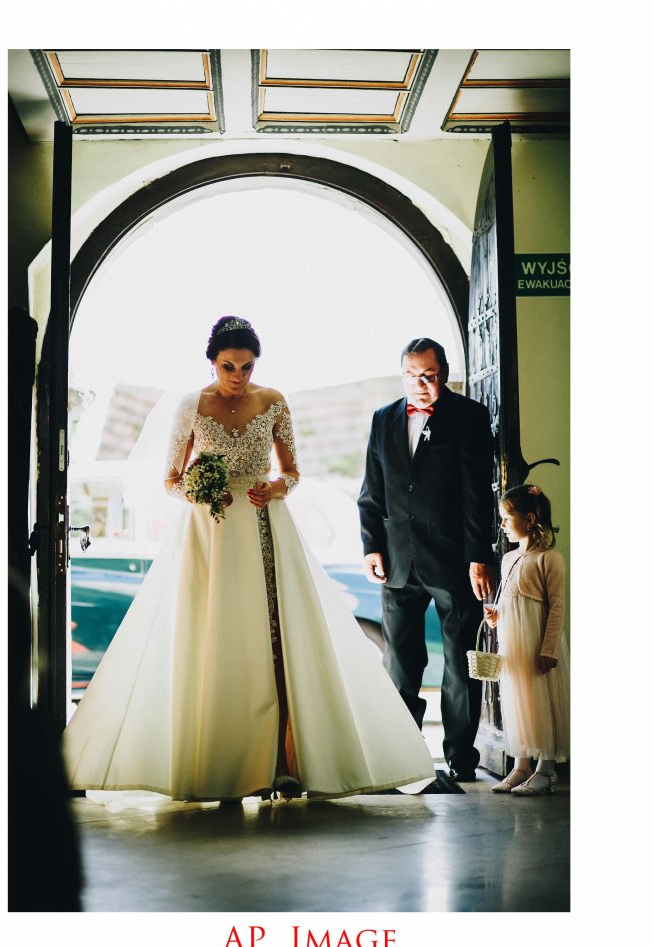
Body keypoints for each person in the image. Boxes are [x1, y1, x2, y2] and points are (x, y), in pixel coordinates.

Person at [63, 316, 436, 802]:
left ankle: (283, 763)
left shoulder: (273, 401)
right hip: (210, 533)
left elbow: (293, 471)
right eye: (228, 367)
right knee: (214, 638)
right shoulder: (191, 405)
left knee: (277, 637)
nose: (238, 376)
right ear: (212, 362)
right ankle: (217, 762)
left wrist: (278, 487)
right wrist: (200, 491)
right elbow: (170, 479)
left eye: (246, 367)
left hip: (265, 527)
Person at [358, 338, 494, 782]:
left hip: (454, 561)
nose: (420, 384)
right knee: (400, 663)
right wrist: (371, 546)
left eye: (429, 376)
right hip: (398, 562)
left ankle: (460, 756)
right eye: (412, 375)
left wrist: (478, 557)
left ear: (444, 373)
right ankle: (403, 753)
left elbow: (477, 495)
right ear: (402, 376)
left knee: (459, 662)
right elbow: (371, 492)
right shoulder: (383, 419)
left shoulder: (470, 416)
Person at [484, 484, 570, 795]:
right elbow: (511, 601)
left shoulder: (550, 559)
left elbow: (556, 607)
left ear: (529, 519)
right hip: (515, 645)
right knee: (519, 701)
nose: (502, 525)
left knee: (543, 702)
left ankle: (546, 769)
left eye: (507, 518)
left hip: (537, 644)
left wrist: (549, 648)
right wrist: (496, 616)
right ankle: (521, 766)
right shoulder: (509, 559)